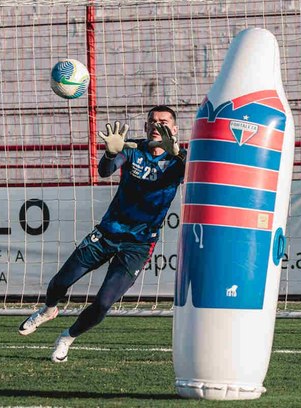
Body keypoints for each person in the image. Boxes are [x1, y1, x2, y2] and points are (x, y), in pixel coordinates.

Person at [18, 105, 186, 363]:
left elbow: (194, 173)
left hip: (138, 245)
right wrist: (110, 153)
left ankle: (68, 337)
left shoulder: (179, 160)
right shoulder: (132, 149)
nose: (156, 125)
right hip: (107, 233)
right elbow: (105, 171)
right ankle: (49, 310)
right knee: (61, 282)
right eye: (152, 121)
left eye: (163, 122)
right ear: (144, 127)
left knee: (104, 303)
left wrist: (180, 155)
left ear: (174, 129)